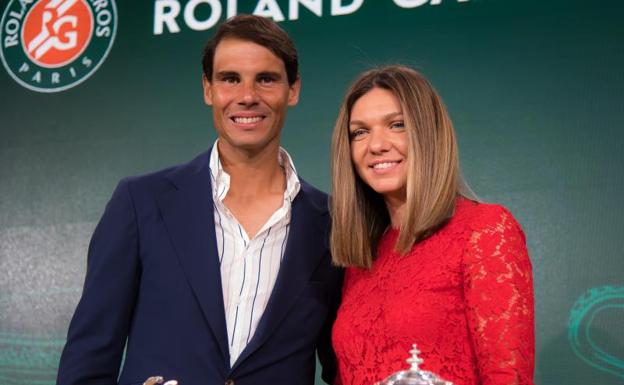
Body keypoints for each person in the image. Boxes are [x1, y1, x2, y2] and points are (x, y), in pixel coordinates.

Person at [56, 15, 342, 385]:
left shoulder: (334, 223)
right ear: (208, 89)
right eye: (230, 79)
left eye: (266, 79)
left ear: (293, 89)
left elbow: (345, 365)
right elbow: (87, 361)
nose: (247, 96)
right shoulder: (141, 202)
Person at [329, 66, 535, 385]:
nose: (376, 145)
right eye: (360, 132)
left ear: (428, 134)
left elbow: (508, 378)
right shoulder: (362, 260)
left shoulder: (484, 229)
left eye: (397, 125)